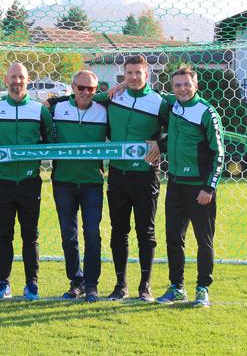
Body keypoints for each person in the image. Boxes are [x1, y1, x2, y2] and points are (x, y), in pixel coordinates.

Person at [50, 55, 169, 302]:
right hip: (116, 175)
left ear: (147, 75)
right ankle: (119, 285)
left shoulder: (159, 102)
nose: (134, 77)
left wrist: (160, 143)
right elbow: (78, 99)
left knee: (146, 231)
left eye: (139, 73)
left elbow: (176, 130)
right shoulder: (112, 99)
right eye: (129, 73)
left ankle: (145, 286)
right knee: (119, 231)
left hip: (145, 176)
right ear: (123, 76)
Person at [0, 62, 53, 301]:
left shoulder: (40, 111)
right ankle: (3, 283)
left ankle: (31, 285)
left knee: (30, 235)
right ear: (6, 81)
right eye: (13, 77)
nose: (17, 81)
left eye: (21, 77)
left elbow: (51, 144)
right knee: (4, 235)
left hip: (29, 183)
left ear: (28, 80)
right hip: (3, 183)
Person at [155, 67, 224, 307]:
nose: (182, 89)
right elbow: (142, 90)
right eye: (177, 85)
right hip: (175, 185)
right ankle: (177, 287)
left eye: (187, 84)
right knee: (174, 238)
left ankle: (203, 288)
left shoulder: (207, 112)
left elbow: (219, 154)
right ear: (172, 87)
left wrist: (209, 188)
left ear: (195, 85)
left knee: (204, 241)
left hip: (200, 190)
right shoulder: (171, 104)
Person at [50, 70, 107, 302]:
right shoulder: (56, 109)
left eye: (91, 89)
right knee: (68, 235)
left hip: (92, 182)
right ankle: (76, 282)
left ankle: (92, 285)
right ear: (72, 87)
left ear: (96, 91)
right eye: (81, 87)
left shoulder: (104, 112)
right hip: (63, 181)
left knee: (92, 234)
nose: (85, 92)